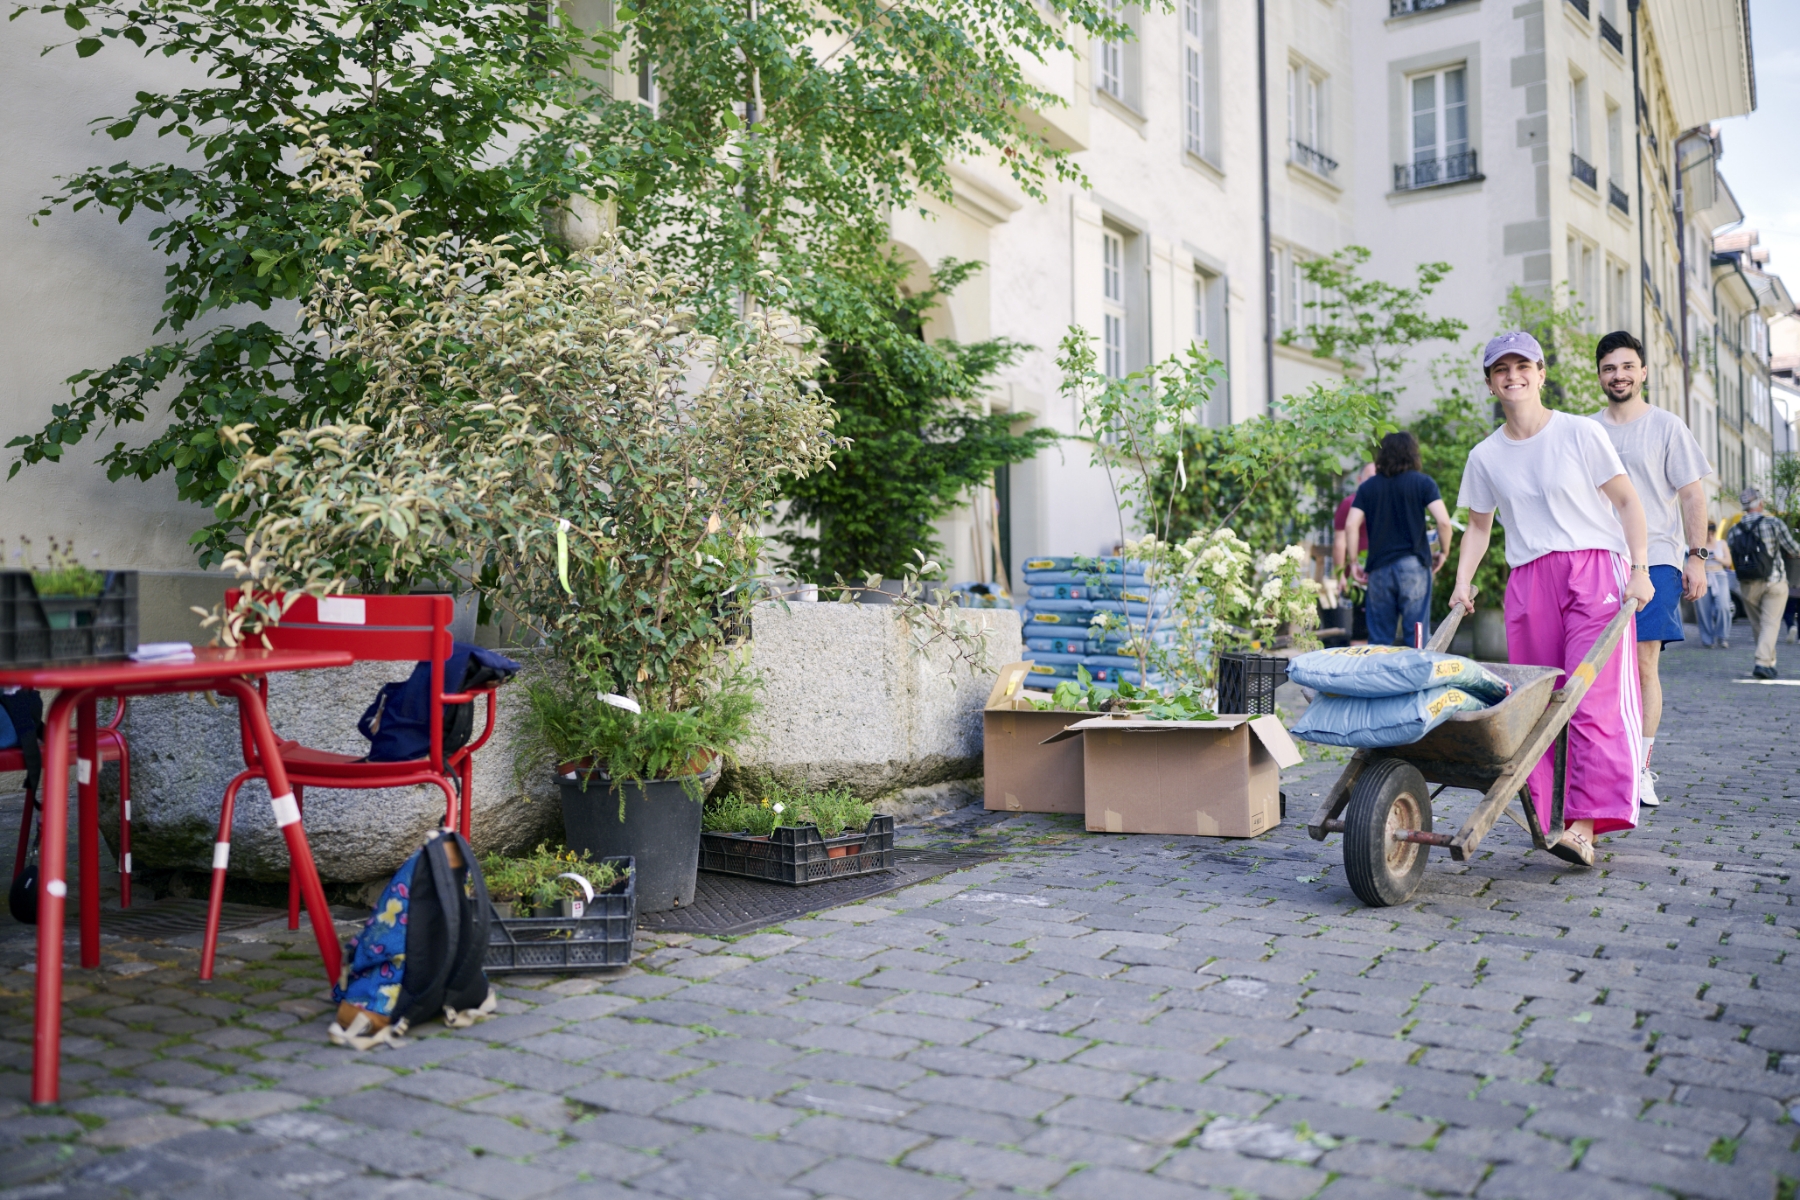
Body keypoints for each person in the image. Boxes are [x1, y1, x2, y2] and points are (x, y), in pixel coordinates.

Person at [1449, 332, 1655, 867]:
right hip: (1528, 580)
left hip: (1594, 570)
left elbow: (1628, 501)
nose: (1512, 376)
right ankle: (1550, 816)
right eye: (1501, 369)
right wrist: (1462, 581)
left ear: (1541, 373)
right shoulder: (1485, 455)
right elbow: (1477, 526)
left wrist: (1639, 568)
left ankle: (1585, 826)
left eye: (1523, 366)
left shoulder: (1580, 433)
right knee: (1537, 701)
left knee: (1590, 698)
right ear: (1491, 382)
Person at [1588, 330, 1710, 809]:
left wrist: (1696, 558)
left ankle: (1639, 768)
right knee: (1597, 669)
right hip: (1599, 560)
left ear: (1642, 372)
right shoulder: (1587, 429)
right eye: (1608, 368)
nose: (1618, 375)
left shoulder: (1666, 426)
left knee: (1642, 664)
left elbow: (1693, 494)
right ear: (1599, 375)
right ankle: (1604, 764)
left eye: (1626, 366)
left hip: (1656, 558)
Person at [1345, 432, 1453, 646]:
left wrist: (1354, 562)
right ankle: (1417, 680)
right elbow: (1443, 522)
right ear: (1413, 454)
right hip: (1413, 566)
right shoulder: (1423, 483)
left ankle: (1379, 679)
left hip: (1379, 569)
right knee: (1418, 637)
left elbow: (1350, 524)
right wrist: (1444, 551)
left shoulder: (1368, 487)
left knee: (1379, 639)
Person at [1731, 487, 1800, 679]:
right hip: (1774, 582)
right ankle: (1762, 662)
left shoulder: (1733, 530)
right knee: (1770, 624)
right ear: (1760, 503)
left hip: (1747, 584)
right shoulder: (1773, 523)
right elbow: (1793, 549)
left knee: (1758, 625)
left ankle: (1769, 664)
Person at [1694, 520, 1734, 649]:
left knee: (1723, 607)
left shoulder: (1721, 543)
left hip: (1719, 576)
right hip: (1703, 576)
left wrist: (1718, 558)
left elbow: (1729, 562)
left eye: (1712, 533)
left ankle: (1723, 637)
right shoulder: (1698, 545)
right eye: (1707, 533)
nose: (1710, 536)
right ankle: (1707, 639)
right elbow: (1692, 563)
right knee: (1703, 609)